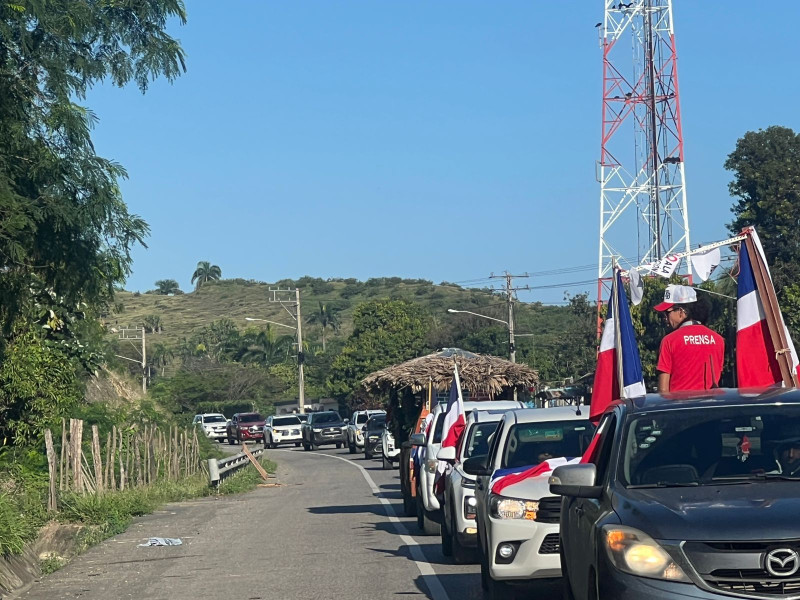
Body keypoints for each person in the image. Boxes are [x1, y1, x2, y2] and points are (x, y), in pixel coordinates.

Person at [654, 284, 724, 392]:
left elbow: (663, 390)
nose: (665, 319)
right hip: (710, 406)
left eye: (667, 313)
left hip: (680, 406)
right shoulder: (718, 340)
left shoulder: (669, 341)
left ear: (681, 312)